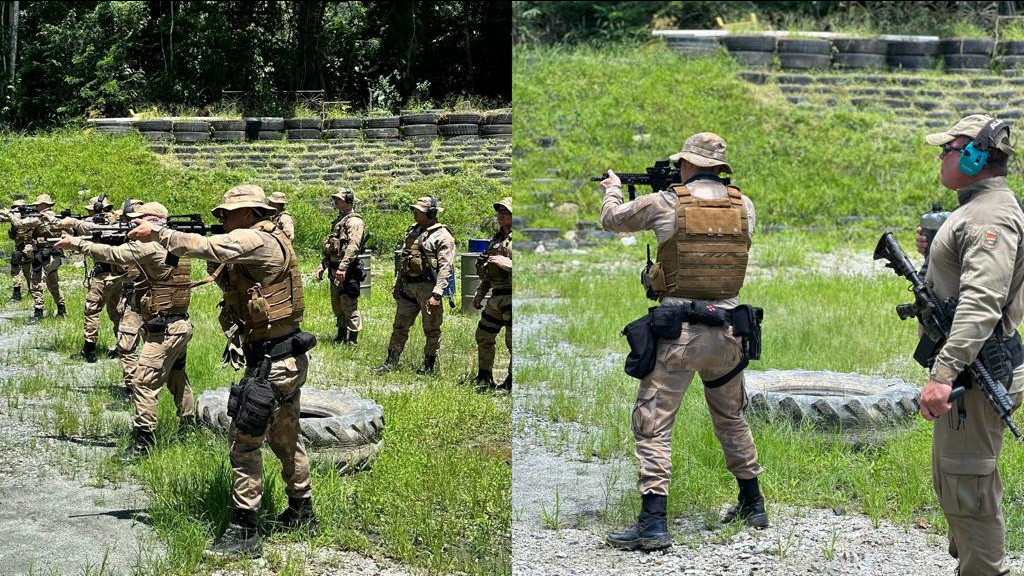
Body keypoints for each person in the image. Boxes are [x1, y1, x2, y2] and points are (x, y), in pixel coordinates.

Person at [127, 184, 316, 559]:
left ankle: (245, 531)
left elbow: (210, 247)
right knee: (286, 436)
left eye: (227, 214)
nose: (222, 221)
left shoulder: (257, 240)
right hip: (281, 357)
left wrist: (160, 233)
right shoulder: (262, 240)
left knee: (244, 441)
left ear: (248, 213)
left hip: (272, 364)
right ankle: (301, 511)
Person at [599, 132, 766, 551]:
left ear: (687, 164)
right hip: (729, 332)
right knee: (731, 418)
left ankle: (653, 522)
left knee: (653, 425)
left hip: (680, 334)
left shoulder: (665, 203)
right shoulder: (743, 206)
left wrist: (612, 189)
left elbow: (613, 220)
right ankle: (753, 502)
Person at [914, 114, 1023, 576]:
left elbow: (982, 301)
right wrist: (935, 252)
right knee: (956, 482)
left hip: (976, 374)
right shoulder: (976, 209)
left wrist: (943, 374)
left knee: (969, 490)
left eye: (949, 150)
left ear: (976, 156)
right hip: (972, 371)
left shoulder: (989, 215)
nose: (942, 157)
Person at [55, 201, 195, 460]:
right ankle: (189, 425)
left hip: (164, 328)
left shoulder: (151, 246)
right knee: (177, 376)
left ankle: (144, 441)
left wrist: (76, 244)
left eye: (140, 218)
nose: (134, 222)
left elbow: (115, 256)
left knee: (143, 381)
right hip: (178, 323)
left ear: (154, 220)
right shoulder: (177, 242)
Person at [377, 196, 455, 375]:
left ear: (430, 213)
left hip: (428, 289)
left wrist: (437, 294)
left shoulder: (443, 236)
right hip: (408, 288)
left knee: (431, 329)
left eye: (418, 210)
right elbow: (404, 259)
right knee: (399, 326)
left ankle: (428, 367)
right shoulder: (413, 231)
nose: (414, 212)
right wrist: (397, 283)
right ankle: (391, 361)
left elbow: (446, 267)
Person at [56, 196, 123, 363]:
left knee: (91, 311)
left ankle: (89, 349)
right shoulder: (118, 222)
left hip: (103, 276)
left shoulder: (97, 225)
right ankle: (122, 346)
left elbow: (81, 230)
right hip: (119, 276)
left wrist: (68, 223)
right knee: (117, 312)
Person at [472, 196, 513, 391]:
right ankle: (484, 376)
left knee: (512, 341)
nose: (500, 216)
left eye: (505, 212)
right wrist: (480, 293)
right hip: (497, 296)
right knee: (483, 335)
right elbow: (487, 272)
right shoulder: (496, 240)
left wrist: (509, 264)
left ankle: (512, 382)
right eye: (499, 212)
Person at [316, 187, 365, 344]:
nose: (335, 202)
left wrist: (343, 267)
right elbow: (332, 248)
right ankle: (341, 334)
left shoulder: (354, 222)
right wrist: (322, 266)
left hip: (348, 270)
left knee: (349, 305)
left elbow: (353, 246)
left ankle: (352, 338)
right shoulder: (339, 221)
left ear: (349, 201)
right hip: (334, 268)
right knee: (337, 305)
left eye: (339, 199)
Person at [20, 194, 66, 321]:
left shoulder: (39, 218)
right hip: (54, 255)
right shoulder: (55, 216)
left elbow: (20, 224)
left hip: (43, 256)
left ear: (43, 205)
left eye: (38, 205)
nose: (36, 206)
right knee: (53, 284)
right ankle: (62, 309)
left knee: (36, 282)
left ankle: (38, 311)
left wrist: (10, 215)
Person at [0, 199, 32, 302]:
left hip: (28, 247)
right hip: (21, 247)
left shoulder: (28, 217)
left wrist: (9, 214)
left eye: (16, 208)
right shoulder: (16, 216)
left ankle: (22, 292)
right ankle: (20, 291)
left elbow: (18, 223)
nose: (15, 210)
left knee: (25, 271)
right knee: (23, 270)